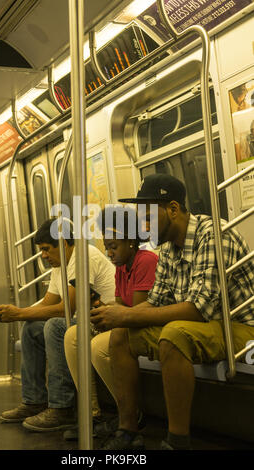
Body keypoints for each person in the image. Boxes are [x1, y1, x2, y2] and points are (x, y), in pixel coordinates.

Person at [89, 173, 254, 450]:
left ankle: (178, 441)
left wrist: (127, 314)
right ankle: (128, 428)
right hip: (205, 326)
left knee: (174, 334)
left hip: (240, 326)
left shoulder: (213, 234)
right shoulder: (168, 249)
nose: (143, 225)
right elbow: (156, 300)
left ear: (173, 209)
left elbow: (197, 309)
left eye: (148, 217)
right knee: (121, 336)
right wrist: (115, 317)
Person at [0, 218, 115, 432]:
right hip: (83, 321)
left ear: (63, 243)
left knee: (55, 326)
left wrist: (19, 313)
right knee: (32, 328)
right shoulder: (60, 265)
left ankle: (62, 408)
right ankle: (34, 401)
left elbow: (66, 309)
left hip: (105, 321)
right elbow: (48, 303)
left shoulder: (83, 256)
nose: (43, 255)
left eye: (45, 250)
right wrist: (16, 313)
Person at [63, 205, 158, 440]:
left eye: (114, 247)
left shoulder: (145, 261)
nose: (109, 253)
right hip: (127, 320)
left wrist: (111, 314)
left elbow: (136, 312)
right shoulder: (121, 266)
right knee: (73, 336)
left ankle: (129, 413)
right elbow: (119, 305)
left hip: (143, 323)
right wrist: (101, 311)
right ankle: (92, 413)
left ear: (131, 242)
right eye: (107, 248)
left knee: (97, 346)